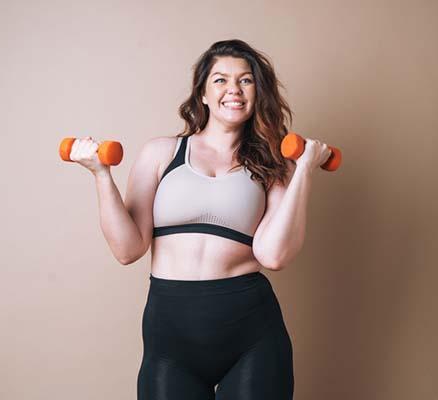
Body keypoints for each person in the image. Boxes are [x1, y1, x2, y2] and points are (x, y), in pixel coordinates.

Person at [69, 39, 331, 400]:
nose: (234, 90)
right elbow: (128, 249)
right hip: (170, 336)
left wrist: (303, 170)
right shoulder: (161, 153)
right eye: (221, 80)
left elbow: (275, 256)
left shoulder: (272, 165)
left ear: (258, 92)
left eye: (246, 80)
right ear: (203, 94)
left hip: (251, 334)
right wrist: (101, 175)